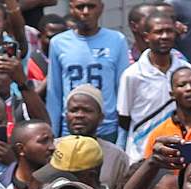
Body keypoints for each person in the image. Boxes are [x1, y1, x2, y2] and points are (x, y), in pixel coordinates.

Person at [46, 0, 130, 139]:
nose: (86, 12)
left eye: (91, 6)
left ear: (101, 8)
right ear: (71, 9)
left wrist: (122, 136)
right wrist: (53, 133)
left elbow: (123, 90)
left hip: (107, 128)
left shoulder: (117, 40)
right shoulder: (58, 43)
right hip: (71, 129)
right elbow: (54, 92)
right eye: (80, 7)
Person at [118, 7, 190, 156]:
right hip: (141, 152)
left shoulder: (185, 69)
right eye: (158, 32)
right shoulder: (132, 75)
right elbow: (124, 119)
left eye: (169, 31)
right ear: (146, 36)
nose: (165, 36)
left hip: (178, 151)